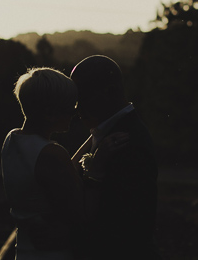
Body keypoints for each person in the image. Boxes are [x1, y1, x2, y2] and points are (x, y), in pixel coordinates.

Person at [1, 67, 128, 259]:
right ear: (49, 113)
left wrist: (96, 135)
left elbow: (61, 170)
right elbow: (85, 214)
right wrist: (97, 167)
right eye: (70, 105)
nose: (75, 110)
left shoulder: (12, 139)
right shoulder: (51, 153)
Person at [70, 55, 161, 260]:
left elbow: (129, 224)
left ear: (108, 92)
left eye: (81, 96)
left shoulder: (127, 141)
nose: (76, 107)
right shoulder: (110, 132)